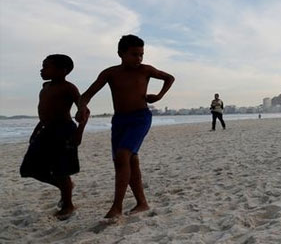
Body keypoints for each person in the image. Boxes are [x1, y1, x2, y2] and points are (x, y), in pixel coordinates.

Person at [79, 35, 174, 219]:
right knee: (128, 161)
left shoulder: (146, 70)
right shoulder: (110, 73)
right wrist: (82, 107)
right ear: (120, 54)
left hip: (140, 118)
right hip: (120, 121)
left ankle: (117, 207)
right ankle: (142, 203)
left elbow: (169, 78)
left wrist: (159, 96)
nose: (139, 59)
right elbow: (87, 94)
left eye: (141, 54)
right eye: (134, 54)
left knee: (123, 155)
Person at [20, 54, 89, 220]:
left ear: (62, 71)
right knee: (29, 169)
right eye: (42, 66)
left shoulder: (68, 87)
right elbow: (44, 114)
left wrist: (79, 131)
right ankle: (66, 187)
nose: (42, 70)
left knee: (61, 169)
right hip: (46, 130)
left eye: (46, 66)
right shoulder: (45, 87)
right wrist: (37, 130)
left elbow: (84, 110)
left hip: (64, 130)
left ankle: (68, 205)